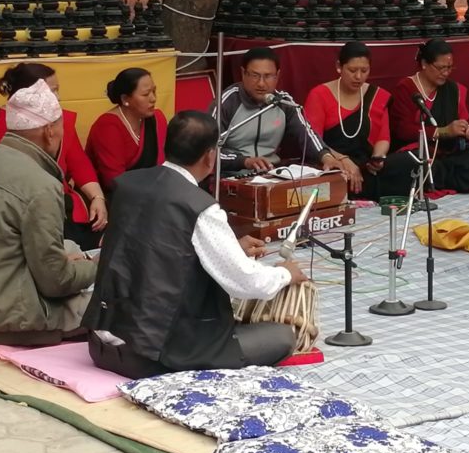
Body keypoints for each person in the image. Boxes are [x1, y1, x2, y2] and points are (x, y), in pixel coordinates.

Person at [84, 111, 304, 377]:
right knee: (281, 337)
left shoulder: (128, 185)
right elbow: (245, 282)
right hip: (149, 355)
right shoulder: (199, 207)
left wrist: (231, 247)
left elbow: (157, 248)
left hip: (101, 347)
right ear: (210, 156)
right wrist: (285, 274)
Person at [0, 80, 96, 345]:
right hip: (5, 322)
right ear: (49, 131)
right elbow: (55, 282)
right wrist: (96, 267)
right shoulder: (41, 186)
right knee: (115, 299)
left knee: (69, 247)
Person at [0, 63, 107, 248]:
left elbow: (79, 164)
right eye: (52, 91)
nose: (58, 97)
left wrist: (97, 198)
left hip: (63, 205)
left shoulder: (62, 121)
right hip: (22, 209)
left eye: (57, 90)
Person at [389, 39, 469, 195]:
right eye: (441, 68)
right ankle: (440, 180)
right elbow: (402, 130)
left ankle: (435, 181)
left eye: (449, 68)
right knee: (414, 164)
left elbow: (465, 120)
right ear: (424, 64)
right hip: (420, 154)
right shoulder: (406, 88)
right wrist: (443, 131)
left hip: (450, 156)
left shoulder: (453, 89)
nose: (446, 73)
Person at [213, 47, 342, 175]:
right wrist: (244, 161)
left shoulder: (283, 102)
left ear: (277, 76)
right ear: (243, 73)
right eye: (255, 75)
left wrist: (326, 157)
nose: (261, 83)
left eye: (268, 76)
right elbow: (208, 151)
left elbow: (306, 134)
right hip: (231, 175)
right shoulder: (227, 102)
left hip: (270, 173)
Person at [304, 42, 409, 199]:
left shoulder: (378, 96)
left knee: (406, 163)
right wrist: (344, 160)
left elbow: (383, 138)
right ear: (339, 67)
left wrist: (377, 158)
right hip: (332, 164)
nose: (358, 77)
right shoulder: (319, 95)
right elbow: (313, 141)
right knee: (335, 178)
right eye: (352, 70)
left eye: (364, 71)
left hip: (365, 165)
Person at [86, 68, 167, 196]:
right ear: (125, 99)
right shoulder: (108, 127)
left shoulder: (157, 119)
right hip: (115, 197)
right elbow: (114, 181)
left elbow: (162, 166)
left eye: (154, 91)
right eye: (146, 94)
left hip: (153, 191)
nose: (153, 98)